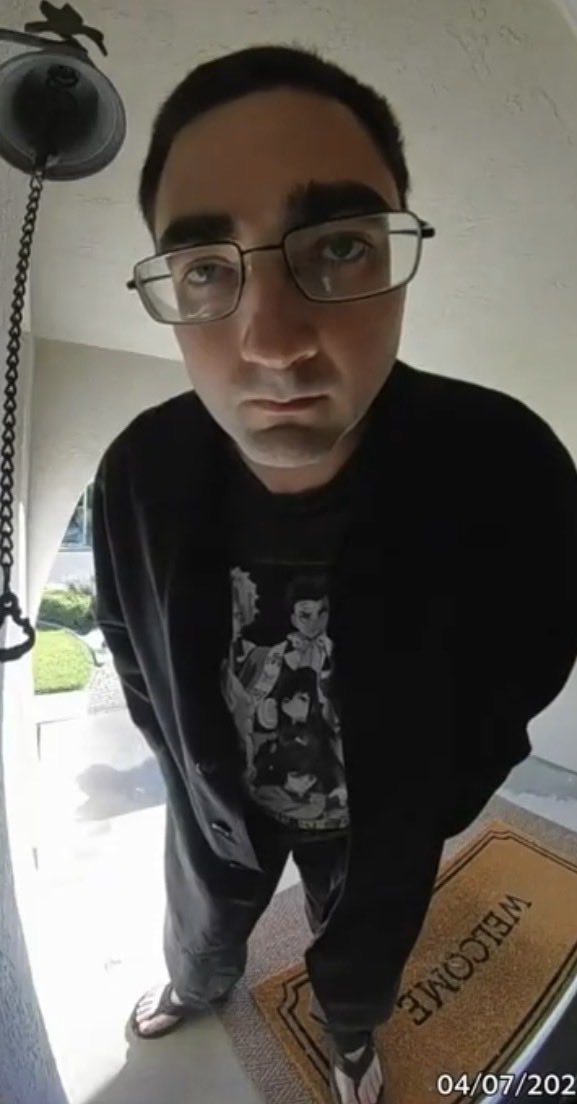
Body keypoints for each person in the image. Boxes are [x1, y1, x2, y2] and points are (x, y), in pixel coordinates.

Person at [92, 43, 577, 1104]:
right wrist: (177, 758)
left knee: (363, 949)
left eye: (341, 246)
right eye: (205, 268)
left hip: (384, 818)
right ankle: (194, 987)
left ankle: (349, 1038)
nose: (272, 343)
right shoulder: (138, 468)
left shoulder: (504, 460)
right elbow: (125, 633)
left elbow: (540, 638)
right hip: (215, 798)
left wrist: (440, 794)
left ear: (400, 247)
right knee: (201, 922)